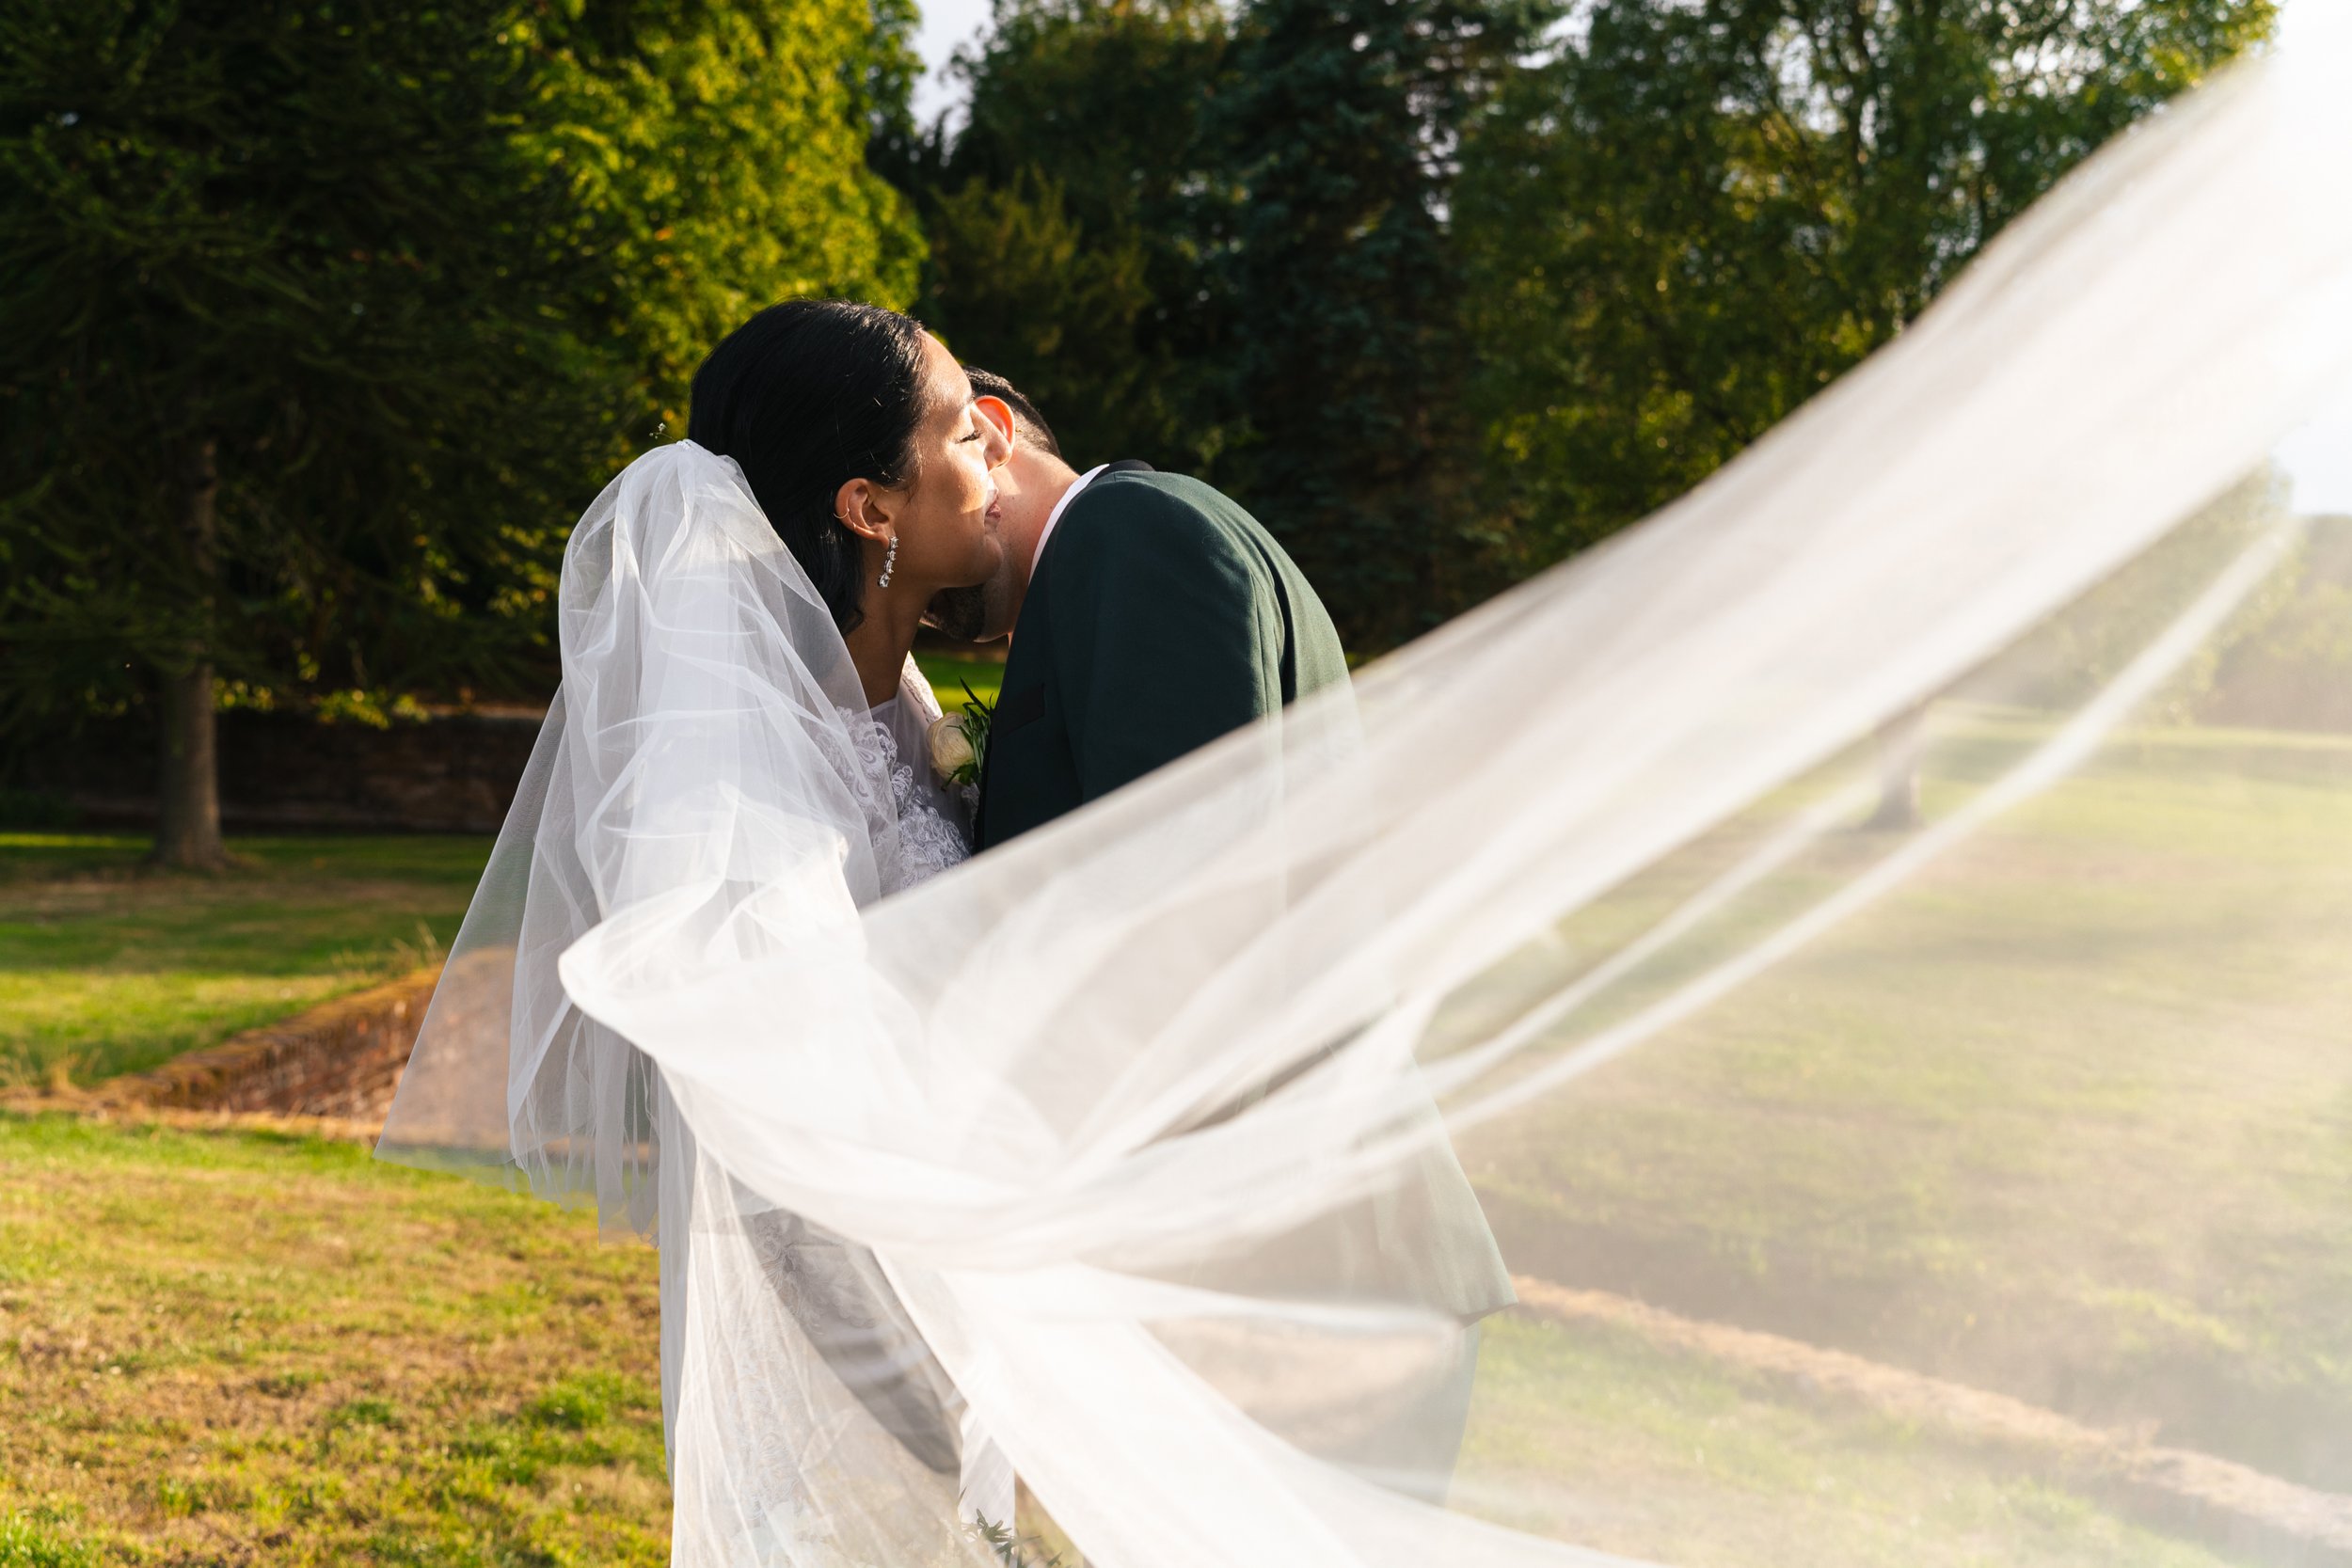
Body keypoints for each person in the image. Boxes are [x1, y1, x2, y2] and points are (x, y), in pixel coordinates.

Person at [930, 370, 1517, 1499]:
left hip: (1295, 1281)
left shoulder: (1133, 537)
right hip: (1283, 1270)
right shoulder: (1114, 560)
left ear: (992, 436)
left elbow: (1198, 923)